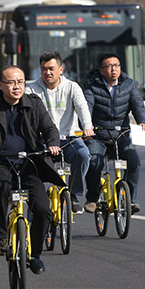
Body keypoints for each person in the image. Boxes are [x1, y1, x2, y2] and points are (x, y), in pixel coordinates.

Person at [0, 65, 63, 275]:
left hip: (30, 163)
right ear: (1, 85)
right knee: (1, 189)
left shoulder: (34, 104)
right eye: (11, 82)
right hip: (1, 161)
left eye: (20, 82)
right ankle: (0, 237)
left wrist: (52, 144)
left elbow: (49, 128)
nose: (17, 86)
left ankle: (35, 254)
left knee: (42, 210)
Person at [26, 51, 94, 214]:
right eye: (43, 69)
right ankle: (32, 217)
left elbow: (82, 107)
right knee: (33, 173)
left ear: (61, 69)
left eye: (51, 68)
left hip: (68, 139)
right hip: (42, 142)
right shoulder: (31, 89)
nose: (47, 72)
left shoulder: (72, 87)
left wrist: (87, 126)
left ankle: (74, 194)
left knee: (84, 154)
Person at [83, 53, 145, 214]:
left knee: (133, 161)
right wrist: (87, 126)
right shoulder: (92, 86)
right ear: (101, 70)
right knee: (93, 162)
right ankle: (92, 198)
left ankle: (130, 200)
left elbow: (138, 104)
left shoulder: (129, 84)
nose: (114, 69)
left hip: (121, 134)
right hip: (98, 135)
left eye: (117, 65)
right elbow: (86, 107)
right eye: (109, 66)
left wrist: (143, 121)